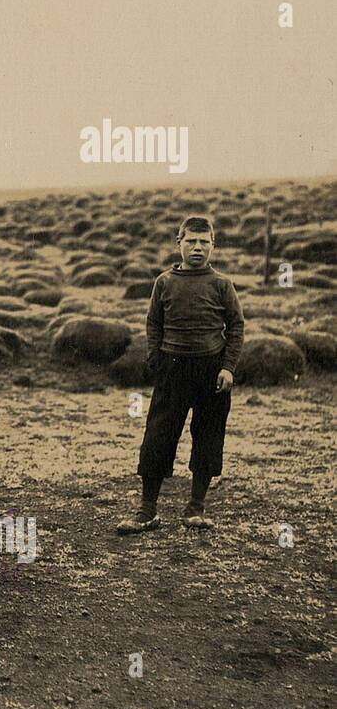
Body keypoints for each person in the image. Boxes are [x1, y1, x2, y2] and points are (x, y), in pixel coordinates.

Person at [117, 215, 243, 534]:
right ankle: (147, 511)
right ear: (179, 244)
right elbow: (153, 324)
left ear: (213, 245)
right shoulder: (164, 282)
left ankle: (195, 508)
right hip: (173, 370)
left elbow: (237, 327)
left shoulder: (222, 284)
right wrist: (155, 358)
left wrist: (228, 367)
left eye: (204, 242)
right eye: (191, 241)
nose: (197, 247)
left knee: (208, 436)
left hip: (212, 371)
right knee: (159, 435)